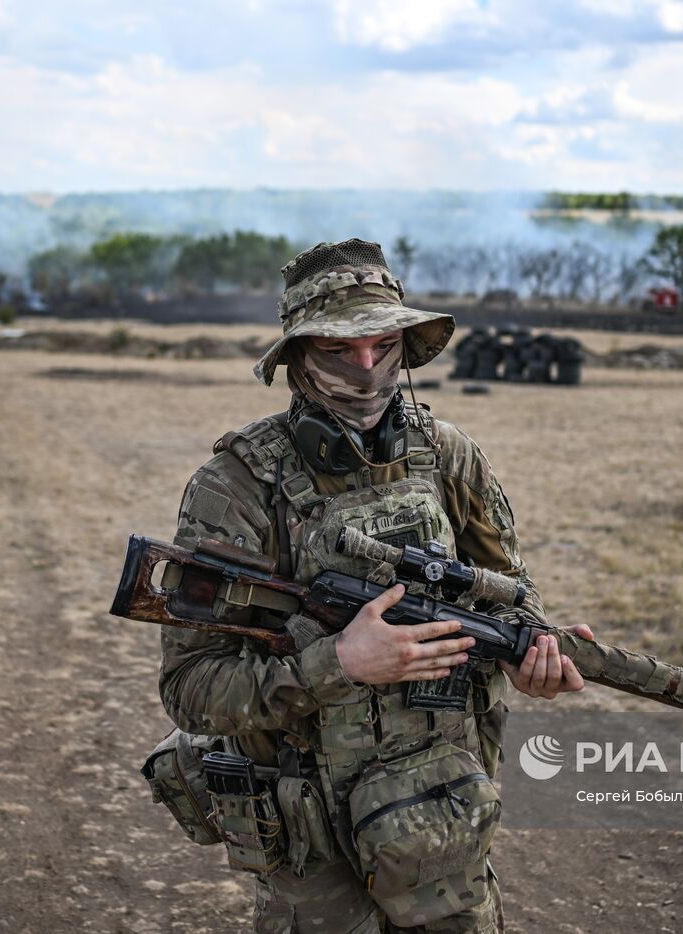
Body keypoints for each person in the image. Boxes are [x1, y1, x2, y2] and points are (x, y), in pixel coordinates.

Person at [160, 238, 592, 933]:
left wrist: (532, 651)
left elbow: (509, 590)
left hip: (444, 815)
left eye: (383, 344)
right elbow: (189, 689)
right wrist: (337, 664)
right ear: (299, 357)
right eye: (339, 349)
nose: (366, 368)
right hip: (314, 853)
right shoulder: (234, 487)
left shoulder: (447, 455)